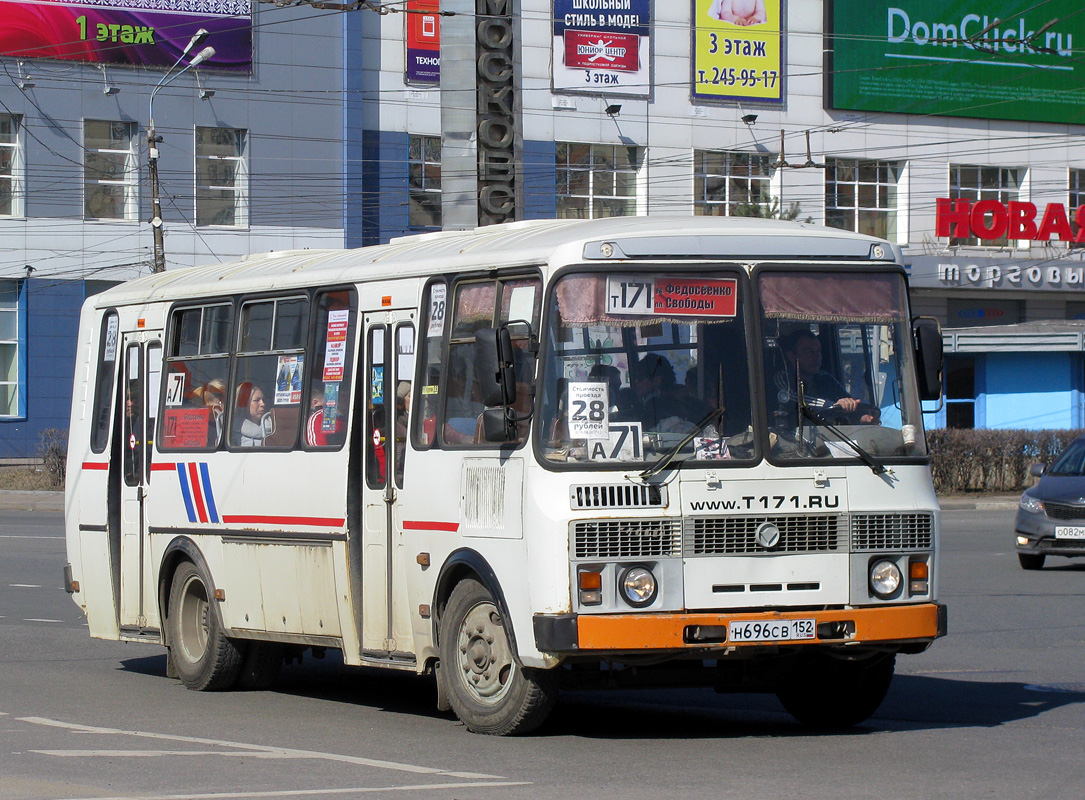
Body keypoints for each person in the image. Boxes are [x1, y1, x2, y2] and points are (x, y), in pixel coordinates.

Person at [774, 330, 876, 424]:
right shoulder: (782, 379)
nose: (817, 357)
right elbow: (796, 398)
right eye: (810, 352)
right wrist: (833, 405)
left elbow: (847, 400)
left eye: (819, 351)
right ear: (792, 356)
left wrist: (862, 415)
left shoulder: (826, 379)